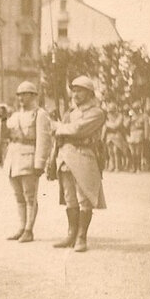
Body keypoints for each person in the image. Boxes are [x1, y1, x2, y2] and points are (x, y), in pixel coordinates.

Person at [47, 76, 106, 253]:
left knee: (84, 198)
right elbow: (59, 136)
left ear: (89, 93)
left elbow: (78, 130)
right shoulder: (70, 114)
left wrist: (58, 126)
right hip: (65, 157)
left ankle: (82, 237)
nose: (75, 94)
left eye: (80, 90)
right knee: (69, 198)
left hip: (84, 156)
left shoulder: (97, 113)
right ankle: (71, 234)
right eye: (74, 90)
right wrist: (52, 158)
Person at [0, 81, 51, 242]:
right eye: (19, 94)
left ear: (34, 96)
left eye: (25, 94)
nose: (21, 98)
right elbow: (2, 136)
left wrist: (40, 163)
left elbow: (44, 140)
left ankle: (29, 229)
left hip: (29, 158)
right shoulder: (14, 115)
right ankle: (21, 227)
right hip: (13, 159)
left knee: (30, 196)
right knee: (18, 196)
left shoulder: (40, 114)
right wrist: (2, 120)